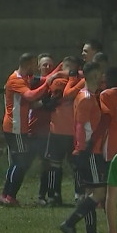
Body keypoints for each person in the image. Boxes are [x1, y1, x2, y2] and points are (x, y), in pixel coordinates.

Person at [58, 61, 107, 233]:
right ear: (93, 75)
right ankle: (69, 223)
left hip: (89, 150)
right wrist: (82, 149)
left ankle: (91, 232)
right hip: (91, 151)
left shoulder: (88, 95)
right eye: (100, 73)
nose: (102, 76)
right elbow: (80, 125)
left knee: (90, 193)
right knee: (99, 193)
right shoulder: (86, 97)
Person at [0, 53, 56, 207]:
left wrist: (55, 74)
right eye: (33, 64)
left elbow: (39, 82)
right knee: (20, 162)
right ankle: (10, 196)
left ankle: (5, 195)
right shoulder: (16, 79)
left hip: (19, 126)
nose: (35, 67)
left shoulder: (25, 78)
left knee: (18, 162)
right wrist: (47, 85)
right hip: (15, 126)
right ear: (27, 64)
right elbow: (30, 96)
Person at [41, 55, 82, 206]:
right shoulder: (79, 82)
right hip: (72, 131)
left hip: (60, 131)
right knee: (75, 165)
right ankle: (79, 194)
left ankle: (54, 195)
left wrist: (57, 73)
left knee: (55, 165)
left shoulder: (55, 80)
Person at [30, 54, 60, 205]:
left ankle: (48, 194)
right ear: (39, 67)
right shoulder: (35, 83)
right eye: (44, 65)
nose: (48, 68)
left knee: (49, 163)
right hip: (36, 128)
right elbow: (32, 104)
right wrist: (45, 102)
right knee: (30, 162)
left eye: (50, 65)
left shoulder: (57, 83)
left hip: (52, 129)